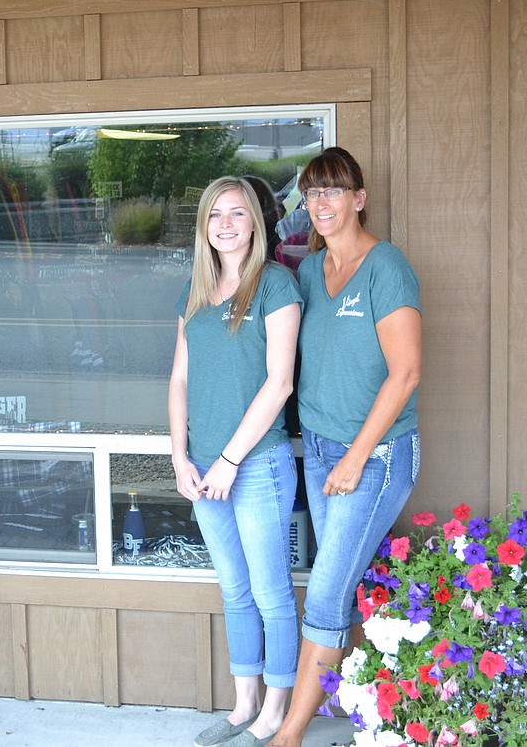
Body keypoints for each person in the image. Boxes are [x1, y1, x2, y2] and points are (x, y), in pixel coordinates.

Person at [263, 147, 421, 747]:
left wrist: (356, 457)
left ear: (359, 198)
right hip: (325, 451)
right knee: (344, 584)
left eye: (333, 191)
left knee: (326, 592)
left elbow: (404, 373)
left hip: (374, 458)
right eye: (312, 193)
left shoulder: (388, 268)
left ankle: (291, 732)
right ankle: (372, 710)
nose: (320, 203)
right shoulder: (309, 271)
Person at [169, 176, 303, 747]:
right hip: (203, 470)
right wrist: (180, 457)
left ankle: (276, 710)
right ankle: (244, 702)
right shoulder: (195, 293)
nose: (225, 224)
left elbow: (279, 383)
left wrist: (227, 459)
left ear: (256, 223)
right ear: (204, 226)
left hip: (257, 465)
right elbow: (179, 379)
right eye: (215, 214)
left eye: (238, 213)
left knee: (272, 591)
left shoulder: (275, 285)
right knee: (235, 590)